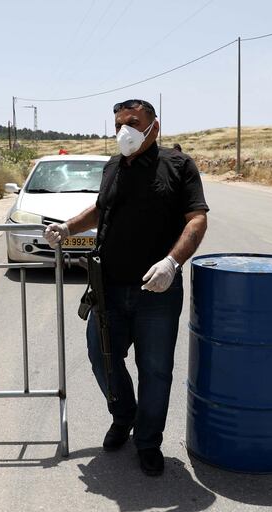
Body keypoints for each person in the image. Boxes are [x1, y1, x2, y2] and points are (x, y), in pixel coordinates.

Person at [44, 99, 209, 476]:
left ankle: (148, 441)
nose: (124, 131)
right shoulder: (113, 166)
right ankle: (124, 415)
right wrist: (68, 227)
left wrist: (172, 262)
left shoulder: (179, 166)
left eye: (133, 122)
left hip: (158, 291)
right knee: (102, 355)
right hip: (109, 288)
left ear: (154, 126)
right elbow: (102, 209)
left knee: (155, 369)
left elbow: (196, 219)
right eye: (119, 124)